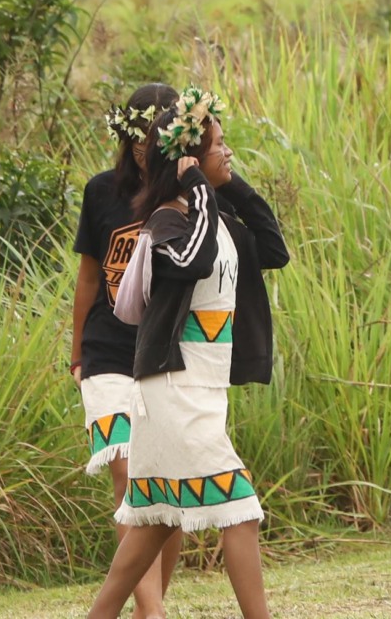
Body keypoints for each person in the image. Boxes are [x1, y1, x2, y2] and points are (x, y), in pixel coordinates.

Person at [85, 88, 288, 619]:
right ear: (189, 161)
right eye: (218, 145)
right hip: (172, 390)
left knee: (152, 521)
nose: (228, 152)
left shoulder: (214, 220)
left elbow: (273, 248)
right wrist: (197, 184)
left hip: (202, 387)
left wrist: (226, 185)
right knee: (239, 506)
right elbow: (194, 263)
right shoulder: (168, 223)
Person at [71, 82, 183, 619]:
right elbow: (90, 277)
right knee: (125, 471)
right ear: (128, 136)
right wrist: (76, 354)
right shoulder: (100, 192)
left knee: (167, 492)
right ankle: (155, 614)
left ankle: (147, 609)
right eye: (141, 136)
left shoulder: (189, 193)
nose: (148, 147)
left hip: (165, 356)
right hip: (107, 355)